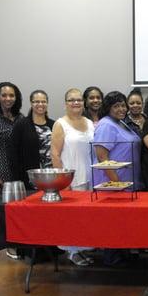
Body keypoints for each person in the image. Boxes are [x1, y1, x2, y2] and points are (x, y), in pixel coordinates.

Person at [51, 88, 95, 266]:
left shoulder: (89, 122)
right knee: (72, 218)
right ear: (65, 103)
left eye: (78, 99)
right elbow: (54, 154)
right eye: (71, 100)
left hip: (90, 176)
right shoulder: (60, 124)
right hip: (71, 178)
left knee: (86, 218)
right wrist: (63, 181)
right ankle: (72, 252)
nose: (75, 103)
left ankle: (82, 249)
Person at [92, 91, 142, 189]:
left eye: (123, 105)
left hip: (128, 180)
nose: (121, 109)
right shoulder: (106, 125)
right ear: (108, 108)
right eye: (116, 106)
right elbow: (102, 157)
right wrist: (117, 183)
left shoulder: (120, 122)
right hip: (113, 183)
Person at [9, 90, 55, 189]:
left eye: (43, 101)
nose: (40, 104)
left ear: (47, 103)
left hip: (51, 177)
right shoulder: (21, 124)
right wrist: (17, 179)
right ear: (31, 103)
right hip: (29, 180)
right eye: (36, 101)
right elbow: (12, 153)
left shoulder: (54, 125)